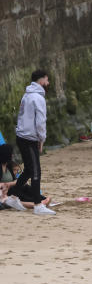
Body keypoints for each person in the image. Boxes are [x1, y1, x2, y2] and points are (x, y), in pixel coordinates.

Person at [9, 70, 54, 215]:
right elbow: (40, 122)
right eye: (47, 80)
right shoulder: (38, 98)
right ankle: (37, 205)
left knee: (29, 169)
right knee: (35, 171)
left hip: (21, 136)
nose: (48, 83)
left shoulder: (26, 95)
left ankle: (13, 196)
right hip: (29, 139)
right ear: (41, 81)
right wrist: (42, 139)